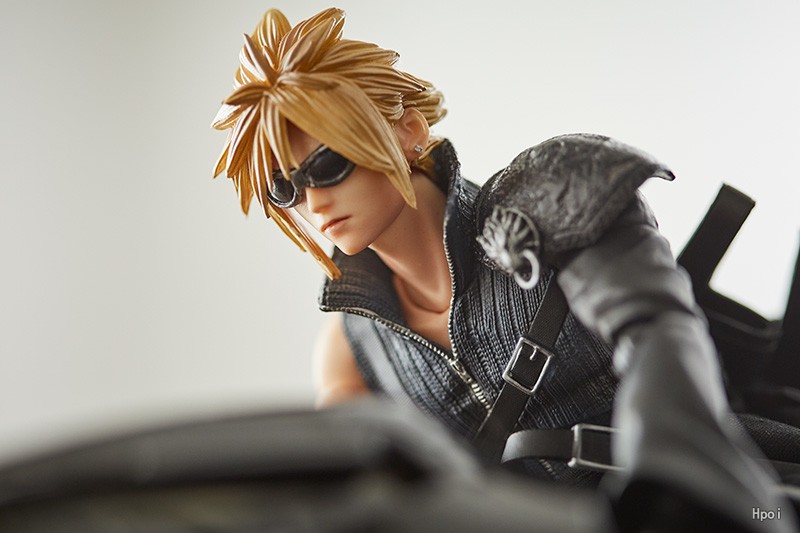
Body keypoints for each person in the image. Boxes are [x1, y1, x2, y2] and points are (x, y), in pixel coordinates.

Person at [212, 8, 796, 530]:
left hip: (732, 490)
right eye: (286, 189)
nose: (314, 202)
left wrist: (675, 487)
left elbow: (657, 331)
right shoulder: (353, 345)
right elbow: (366, 487)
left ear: (408, 129)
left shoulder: (553, 197)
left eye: (328, 164)